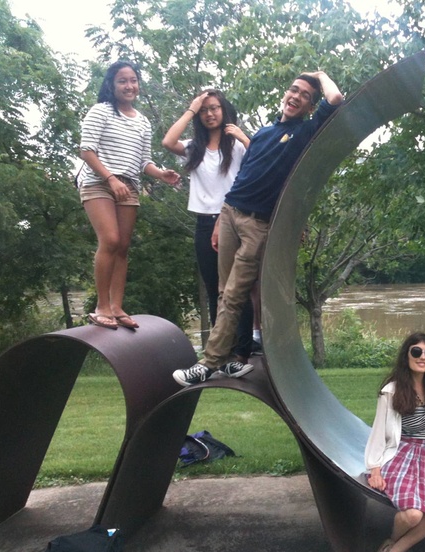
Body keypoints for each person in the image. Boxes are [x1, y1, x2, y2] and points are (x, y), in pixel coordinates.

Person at [172, 71, 344, 385]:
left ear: (309, 107)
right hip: (229, 213)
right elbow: (244, 177)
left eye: (305, 95)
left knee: (236, 293)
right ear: (286, 93)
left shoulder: (305, 133)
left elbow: (335, 100)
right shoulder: (265, 132)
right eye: (294, 89)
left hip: (258, 226)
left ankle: (208, 364)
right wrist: (221, 219)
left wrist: (319, 75)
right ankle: (226, 358)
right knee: (225, 293)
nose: (296, 96)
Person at [79, 61, 180, 330]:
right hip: (99, 182)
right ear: (112, 85)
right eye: (122, 81)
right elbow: (86, 151)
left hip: (129, 186)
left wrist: (160, 174)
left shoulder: (143, 121)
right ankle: (101, 307)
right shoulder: (101, 112)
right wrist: (110, 178)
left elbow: (143, 161)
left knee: (123, 246)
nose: (129, 85)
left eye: (133, 80)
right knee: (110, 240)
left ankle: (116, 306)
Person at [161, 90, 257, 362]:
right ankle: (221, 350)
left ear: (224, 111)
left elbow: (263, 159)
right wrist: (191, 108)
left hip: (233, 221)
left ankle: (242, 349)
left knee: (236, 288)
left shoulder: (236, 147)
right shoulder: (194, 148)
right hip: (204, 223)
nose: (210, 114)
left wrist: (243, 137)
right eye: (205, 110)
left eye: (215, 108)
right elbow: (168, 141)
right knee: (215, 288)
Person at [363, 333, 425, 552]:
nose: (423, 357)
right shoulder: (391, 390)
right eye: (416, 352)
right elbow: (379, 432)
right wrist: (375, 468)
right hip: (404, 456)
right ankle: (394, 545)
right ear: (406, 355)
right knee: (412, 515)